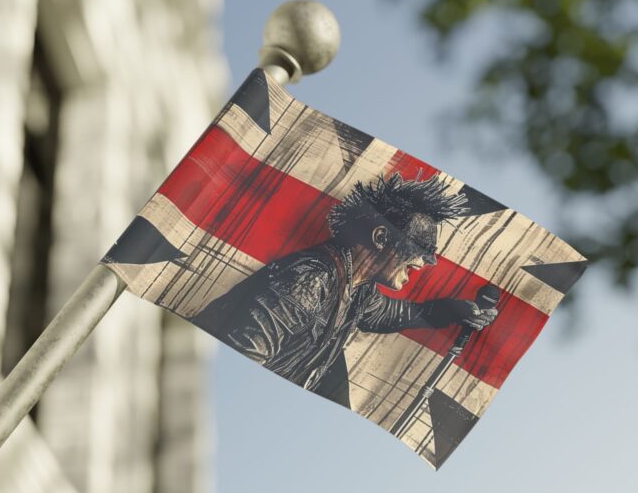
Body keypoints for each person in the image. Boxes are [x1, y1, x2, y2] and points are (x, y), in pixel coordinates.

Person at [191, 173, 498, 407]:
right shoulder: (311, 281)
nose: (424, 262)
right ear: (381, 238)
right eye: (419, 248)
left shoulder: (358, 289)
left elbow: (395, 313)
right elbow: (234, 364)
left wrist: (451, 310)